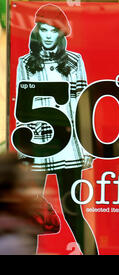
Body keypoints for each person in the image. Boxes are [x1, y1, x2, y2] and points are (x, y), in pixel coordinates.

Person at [14, 4, 97, 254]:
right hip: (36, 145)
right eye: (44, 29)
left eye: (54, 30)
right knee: (31, 212)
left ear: (61, 33)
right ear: (37, 32)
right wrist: (24, 147)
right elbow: (22, 110)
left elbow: (81, 106)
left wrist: (85, 146)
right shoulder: (25, 63)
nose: (48, 35)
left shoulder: (74, 62)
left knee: (72, 209)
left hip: (67, 144)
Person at [0, 152, 59, 254]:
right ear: (8, 195)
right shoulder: (11, 243)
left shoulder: (19, 230)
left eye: (37, 185)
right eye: (26, 186)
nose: (38, 192)